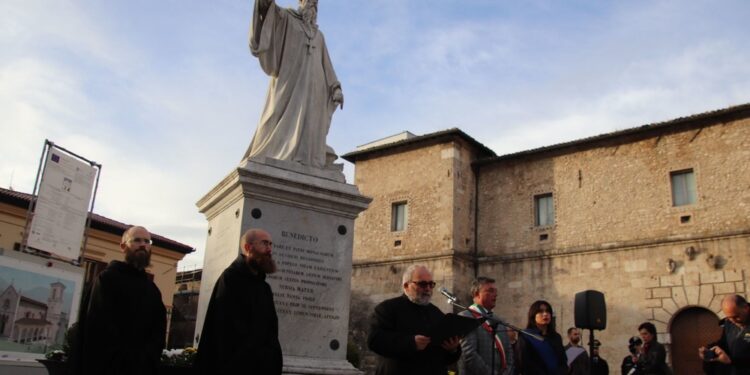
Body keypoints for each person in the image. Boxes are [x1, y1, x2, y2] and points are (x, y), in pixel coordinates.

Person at [244, 0, 344, 168]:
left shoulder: (319, 36)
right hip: (290, 81)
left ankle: (306, 159)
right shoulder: (287, 18)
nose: (313, 6)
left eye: (315, 3)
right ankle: (275, 151)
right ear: (301, 2)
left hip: (315, 88)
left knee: (311, 122)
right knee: (275, 116)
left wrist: (335, 87)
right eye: (309, 1)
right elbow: (268, 12)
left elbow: (327, 64)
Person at [74, 226, 166, 375]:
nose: (143, 244)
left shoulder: (152, 289)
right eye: (136, 240)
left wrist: (148, 357)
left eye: (147, 241)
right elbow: (97, 327)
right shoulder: (107, 279)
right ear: (123, 247)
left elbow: (159, 330)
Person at [195, 229, 282, 374]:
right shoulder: (230, 279)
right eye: (265, 243)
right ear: (248, 248)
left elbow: (271, 329)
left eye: (271, 244)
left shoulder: (264, 287)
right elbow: (224, 329)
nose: (269, 249)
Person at [367, 264, 461, 374]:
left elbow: (445, 358)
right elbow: (375, 341)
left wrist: (453, 349)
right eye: (422, 284)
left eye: (431, 284)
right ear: (406, 285)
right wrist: (411, 342)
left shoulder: (436, 313)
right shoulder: (387, 309)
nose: (428, 288)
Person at [458, 276, 515, 375]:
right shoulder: (466, 317)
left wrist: (507, 372)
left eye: (495, 291)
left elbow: (509, 351)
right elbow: (469, 354)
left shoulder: (499, 321)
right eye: (490, 291)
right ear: (477, 294)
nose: (495, 294)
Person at [699, 294, 750, 374]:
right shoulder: (729, 323)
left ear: (746, 308)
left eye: (736, 316)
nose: (733, 321)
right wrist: (710, 350)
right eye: (729, 317)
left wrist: (731, 361)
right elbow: (724, 342)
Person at [516, 300, 568, 375]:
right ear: (533, 315)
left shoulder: (556, 337)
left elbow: (563, 360)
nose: (545, 314)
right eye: (540, 311)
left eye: (547, 311)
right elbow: (523, 362)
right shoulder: (527, 336)